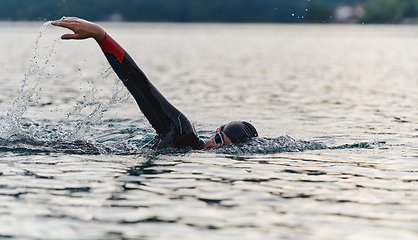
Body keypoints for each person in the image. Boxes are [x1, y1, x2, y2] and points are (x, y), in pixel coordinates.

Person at [51, 17, 258, 150]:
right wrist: (101, 36)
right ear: (214, 133)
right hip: (64, 153)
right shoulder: (181, 132)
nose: (216, 150)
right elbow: (140, 85)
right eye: (219, 142)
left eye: (228, 152)